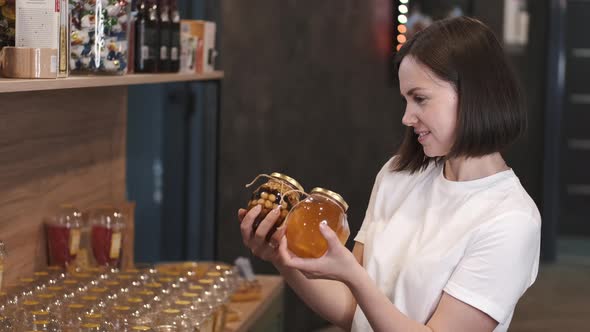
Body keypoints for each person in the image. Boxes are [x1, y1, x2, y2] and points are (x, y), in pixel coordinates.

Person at [238, 16, 541, 332]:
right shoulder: (398, 174)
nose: (407, 117)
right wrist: (282, 259)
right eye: (405, 100)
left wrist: (354, 277)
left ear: (474, 93)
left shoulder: (512, 221)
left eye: (420, 98)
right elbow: (352, 311)